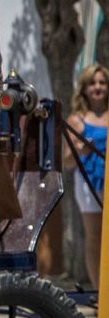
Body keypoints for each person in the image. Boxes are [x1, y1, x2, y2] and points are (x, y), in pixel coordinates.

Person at [69, 64, 109, 292]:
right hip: (88, 183)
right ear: (84, 88)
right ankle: (98, 292)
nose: (98, 87)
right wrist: (80, 150)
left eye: (102, 83)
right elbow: (66, 161)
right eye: (93, 83)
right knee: (94, 238)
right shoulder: (77, 120)